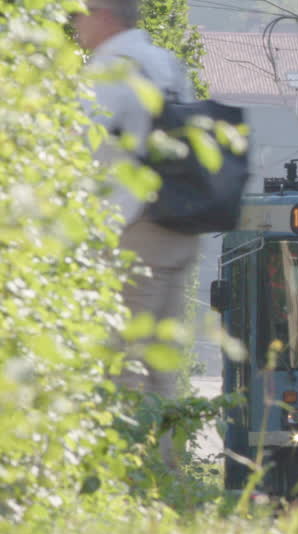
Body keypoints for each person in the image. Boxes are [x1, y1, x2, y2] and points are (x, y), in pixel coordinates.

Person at [74, 0, 199, 400]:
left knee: (123, 366)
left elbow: (80, 144)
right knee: (160, 368)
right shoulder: (166, 64)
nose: (76, 22)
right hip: (180, 228)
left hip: (137, 232)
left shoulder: (112, 66)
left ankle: (129, 461)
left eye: (81, 12)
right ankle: (163, 462)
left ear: (104, 14)